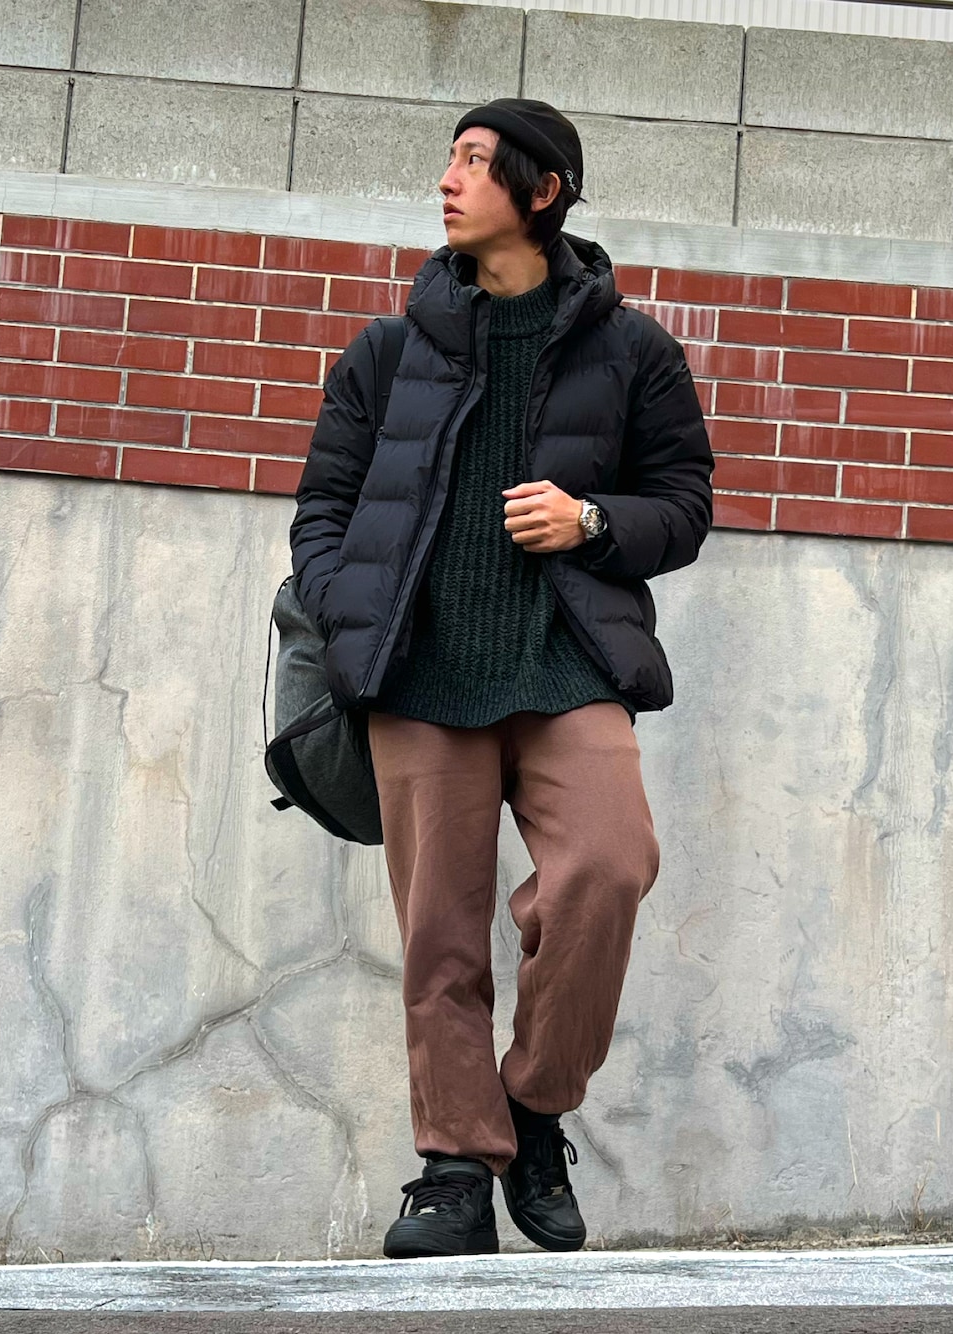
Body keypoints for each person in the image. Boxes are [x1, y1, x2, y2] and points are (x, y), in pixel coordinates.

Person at [290, 98, 714, 1259]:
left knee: (609, 864)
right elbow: (323, 506)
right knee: (439, 933)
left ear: (542, 191)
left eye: (475, 162)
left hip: (565, 660)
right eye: (449, 158)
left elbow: (683, 503)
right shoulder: (387, 352)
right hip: (420, 671)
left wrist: (590, 520)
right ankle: (451, 1170)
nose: (448, 179)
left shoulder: (633, 352)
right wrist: (348, 607)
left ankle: (532, 1106)